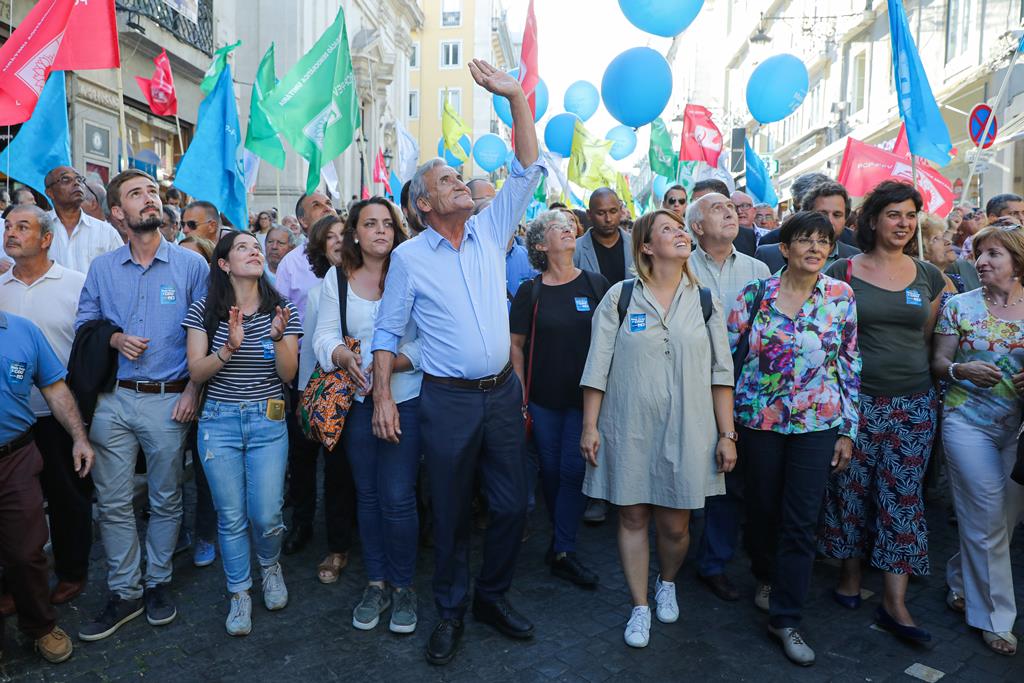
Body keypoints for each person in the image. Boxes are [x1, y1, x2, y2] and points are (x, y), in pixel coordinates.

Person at [371, 59, 543, 666]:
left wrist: (516, 96)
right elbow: (387, 330)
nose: (462, 182)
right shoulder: (410, 258)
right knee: (448, 511)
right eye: (448, 180)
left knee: (513, 504)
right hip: (445, 401)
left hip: (501, 394)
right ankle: (450, 610)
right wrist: (384, 396)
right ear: (425, 203)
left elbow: (527, 166)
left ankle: (492, 596)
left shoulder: (492, 230)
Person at [579, 209, 736, 649]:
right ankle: (639, 605)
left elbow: (721, 373)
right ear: (647, 246)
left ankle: (667, 581)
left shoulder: (705, 301)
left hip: (690, 428)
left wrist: (727, 434)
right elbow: (597, 367)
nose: (680, 233)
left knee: (675, 526)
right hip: (628, 426)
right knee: (632, 516)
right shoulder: (621, 297)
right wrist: (590, 426)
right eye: (668, 229)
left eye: (681, 227)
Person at [75, 169, 208, 641]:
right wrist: (114, 338)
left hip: (169, 401)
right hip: (113, 400)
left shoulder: (192, 267)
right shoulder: (103, 268)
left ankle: (157, 583)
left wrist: (193, 391)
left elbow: (207, 334)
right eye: (136, 194)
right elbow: (85, 321)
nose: (149, 198)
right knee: (112, 504)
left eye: (152, 191)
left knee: (166, 498)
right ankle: (125, 591)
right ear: (117, 212)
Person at [820, 180, 948, 644]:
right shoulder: (843, 270)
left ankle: (895, 602)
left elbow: (928, 340)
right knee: (849, 491)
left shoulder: (929, 275)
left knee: (903, 497)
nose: (904, 223)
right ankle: (850, 575)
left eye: (911, 215)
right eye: (894, 214)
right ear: (873, 220)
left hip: (914, 404)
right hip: (855, 403)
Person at [729, 212, 860, 666]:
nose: (815, 248)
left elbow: (849, 362)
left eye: (823, 241)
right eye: (805, 240)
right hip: (758, 422)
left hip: (817, 424)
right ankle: (765, 573)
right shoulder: (755, 295)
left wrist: (848, 429)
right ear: (784, 249)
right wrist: (723, 424)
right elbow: (723, 358)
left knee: (802, 520)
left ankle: (786, 618)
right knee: (761, 510)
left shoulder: (841, 296)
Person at [313, 197, 424, 633]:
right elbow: (323, 336)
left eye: (388, 224)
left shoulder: (413, 272)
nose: (381, 231)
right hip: (357, 403)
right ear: (355, 233)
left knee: (398, 496)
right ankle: (376, 582)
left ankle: (404, 585)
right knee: (368, 495)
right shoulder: (337, 278)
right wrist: (342, 355)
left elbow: (430, 341)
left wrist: (388, 365)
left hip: (406, 399)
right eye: (371, 224)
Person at [183, 231, 301, 636]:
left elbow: (288, 374)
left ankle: (270, 566)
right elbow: (196, 372)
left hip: (268, 419)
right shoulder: (204, 309)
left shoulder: (282, 309)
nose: (254, 251)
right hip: (218, 422)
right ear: (224, 264)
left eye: (256, 246)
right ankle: (239, 592)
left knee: (267, 513)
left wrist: (278, 337)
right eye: (242, 248)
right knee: (231, 516)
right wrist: (228, 349)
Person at [931, 223, 1024, 657]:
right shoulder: (960, 305)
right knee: (987, 515)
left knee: (1002, 521)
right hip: (966, 423)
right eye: (978, 253)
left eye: (993, 254)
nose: (981, 262)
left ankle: (959, 579)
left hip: (1019, 432)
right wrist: (960, 370)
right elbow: (939, 362)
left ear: (1017, 261)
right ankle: (995, 618)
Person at [510, 211, 608, 589]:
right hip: (543, 400)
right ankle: (560, 537)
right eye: (556, 227)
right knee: (550, 472)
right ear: (539, 244)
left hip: (586, 401)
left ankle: (563, 548)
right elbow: (516, 346)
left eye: (569, 226)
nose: (568, 230)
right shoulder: (530, 291)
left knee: (573, 469)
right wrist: (521, 395)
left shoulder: (596, 284)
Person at [0, 206, 92, 606]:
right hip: (13, 421)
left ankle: (72, 571)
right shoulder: (1, 287)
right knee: (15, 509)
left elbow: (89, 346)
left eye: (23, 227)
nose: (11, 233)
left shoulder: (76, 284)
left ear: (46, 239)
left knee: (67, 495)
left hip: (58, 412)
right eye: (8, 226)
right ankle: (14, 583)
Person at [685, 192, 770, 602]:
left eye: (731, 208)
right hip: (688, 382)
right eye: (717, 208)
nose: (730, 213)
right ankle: (675, 546)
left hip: (743, 388)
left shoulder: (758, 270)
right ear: (697, 227)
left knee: (729, 476)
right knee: (687, 470)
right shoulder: (680, 266)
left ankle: (714, 561)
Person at [0, 311, 94, 664]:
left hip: (15, 457)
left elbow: (55, 389)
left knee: (27, 553)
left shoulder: (23, 330)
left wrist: (79, 437)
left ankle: (40, 626)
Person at [274, 192, 338, 556]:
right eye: (317, 205)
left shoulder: (354, 258)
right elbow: (280, 316)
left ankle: (341, 529)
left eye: (329, 202)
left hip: (346, 374)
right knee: (303, 453)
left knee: (339, 457)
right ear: (301, 221)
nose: (327, 207)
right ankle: (302, 521)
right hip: (303, 371)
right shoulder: (291, 264)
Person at [294, 213, 357, 583]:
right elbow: (311, 352)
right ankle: (337, 545)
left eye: (342, 233)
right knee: (335, 472)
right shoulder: (319, 292)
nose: (337, 240)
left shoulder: (378, 280)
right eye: (329, 236)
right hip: (332, 392)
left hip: (374, 388)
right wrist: (306, 396)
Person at [756, 182, 860, 271]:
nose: (830, 220)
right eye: (822, 214)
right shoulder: (768, 255)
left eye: (837, 215)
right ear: (806, 214)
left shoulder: (856, 258)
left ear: (845, 219)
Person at [44, 166, 122, 275]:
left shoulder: (106, 232)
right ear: (50, 192)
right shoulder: (38, 226)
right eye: (65, 179)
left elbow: (122, 273)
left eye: (79, 179)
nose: (76, 183)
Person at [574, 188, 632, 285]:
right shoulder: (575, 250)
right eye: (601, 213)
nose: (608, 219)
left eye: (613, 211)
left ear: (621, 211)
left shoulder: (636, 246)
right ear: (589, 214)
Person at [914, 213, 980, 293]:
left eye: (943, 236)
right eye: (936, 239)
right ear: (919, 251)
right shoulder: (919, 288)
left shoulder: (956, 281)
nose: (948, 241)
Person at [729, 191, 758, 257]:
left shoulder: (769, 236)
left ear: (754, 211)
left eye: (744, 206)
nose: (739, 211)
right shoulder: (724, 238)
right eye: (733, 207)